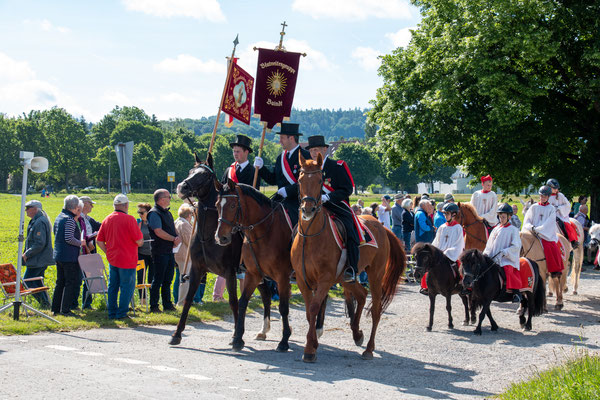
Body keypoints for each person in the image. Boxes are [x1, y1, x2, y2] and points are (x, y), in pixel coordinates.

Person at [306, 135, 365, 282]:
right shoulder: (309, 168)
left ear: (325, 149)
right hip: (314, 206)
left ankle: (351, 268)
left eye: (317, 149)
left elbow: (347, 189)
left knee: (350, 230)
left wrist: (329, 197)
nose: (314, 153)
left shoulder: (337, 166)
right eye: (312, 150)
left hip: (337, 205)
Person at [253, 122, 311, 225]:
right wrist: (261, 168)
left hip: (298, 201)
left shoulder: (305, 156)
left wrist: (288, 190)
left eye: (282, 138)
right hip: (280, 201)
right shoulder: (281, 157)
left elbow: (308, 183)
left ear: (291, 138)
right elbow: (273, 179)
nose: (280, 141)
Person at [97, 194, 144, 319]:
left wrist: (107, 252)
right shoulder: (129, 219)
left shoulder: (107, 219)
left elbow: (99, 241)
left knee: (113, 286)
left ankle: (112, 312)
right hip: (127, 259)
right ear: (125, 205)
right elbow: (139, 241)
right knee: (127, 287)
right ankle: (122, 313)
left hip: (113, 258)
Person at [147, 189, 181, 312]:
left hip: (169, 250)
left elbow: (173, 227)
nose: (170, 198)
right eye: (168, 197)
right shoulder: (154, 213)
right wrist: (173, 239)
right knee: (158, 279)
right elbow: (158, 231)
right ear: (161, 199)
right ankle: (154, 305)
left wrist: (177, 237)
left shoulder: (167, 212)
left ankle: (167, 304)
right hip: (159, 251)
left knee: (168, 278)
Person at [420, 202, 464, 295]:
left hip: (451, 254)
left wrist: (447, 252)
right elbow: (436, 242)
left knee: (458, 267)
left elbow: (458, 244)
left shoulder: (458, 228)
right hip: (440, 254)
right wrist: (432, 251)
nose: (445, 216)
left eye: (447, 214)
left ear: (454, 214)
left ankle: (461, 284)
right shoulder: (442, 227)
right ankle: (427, 286)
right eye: (444, 213)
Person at [52, 195, 85, 316]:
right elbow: (69, 238)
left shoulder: (59, 217)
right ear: (76, 208)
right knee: (70, 282)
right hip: (69, 256)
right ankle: (65, 309)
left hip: (59, 255)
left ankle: (55, 308)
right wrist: (80, 243)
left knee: (60, 282)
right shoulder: (70, 219)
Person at [484, 203, 523, 302]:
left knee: (508, 270)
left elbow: (516, 246)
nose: (501, 219)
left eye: (504, 217)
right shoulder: (495, 229)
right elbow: (489, 245)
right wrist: (485, 255)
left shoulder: (513, 230)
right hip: (494, 257)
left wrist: (505, 252)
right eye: (500, 217)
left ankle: (516, 293)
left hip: (506, 258)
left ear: (509, 217)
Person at [522, 185, 564, 277]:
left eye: (544, 196)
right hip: (532, 232)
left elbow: (548, 224)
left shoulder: (551, 209)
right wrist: (531, 227)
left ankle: (554, 270)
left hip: (545, 234)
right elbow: (527, 220)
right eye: (541, 196)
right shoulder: (534, 207)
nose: (542, 198)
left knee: (551, 246)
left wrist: (538, 229)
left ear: (548, 197)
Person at [22, 200, 53, 308]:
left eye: (28, 208)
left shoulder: (39, 222)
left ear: (35, 209)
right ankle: (46, 304)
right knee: (38, 282)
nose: (26, 210)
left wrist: (27, 254)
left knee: (27, 281)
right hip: (40, 259)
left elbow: (39, 243)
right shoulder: (38, 220)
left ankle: (44, 303)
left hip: (38, 260)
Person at [173, 203, 205, 305]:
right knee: (185, 279)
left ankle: (181, 300)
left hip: (180, 254)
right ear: (189, 215)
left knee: (181, 278)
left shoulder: (177, 221)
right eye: (191, 215)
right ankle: (182, 302)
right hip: (185, 255)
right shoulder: (184, 224)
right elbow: (189, 240)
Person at [77, 196, 101, 310]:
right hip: (83, 253)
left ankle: (86, 304)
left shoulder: (88, 219)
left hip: (90, 252)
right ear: (84, 204)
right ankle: (81, 304)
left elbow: (101, 226)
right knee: (82, 279)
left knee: (89, 279)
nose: (92, 206)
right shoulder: (78, 219)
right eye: (90, 204)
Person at [546, 178, 579, 248]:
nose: (556, 190)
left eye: (557, 188)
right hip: (548, 215)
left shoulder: (560, 195)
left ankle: (572, 241)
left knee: (563, 224)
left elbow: (567, 205)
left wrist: (559, 208)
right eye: (554, 188)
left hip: (559, 215)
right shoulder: (545, 196)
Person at [136, 203, 153, 305]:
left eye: (142, 212)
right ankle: (142, 300)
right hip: (141, 254)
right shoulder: (138, 223)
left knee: (152, 278)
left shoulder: (153, 223)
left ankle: (152, 300)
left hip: (152, 254)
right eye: (139, 212)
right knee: (140, 276)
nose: (140, 215)